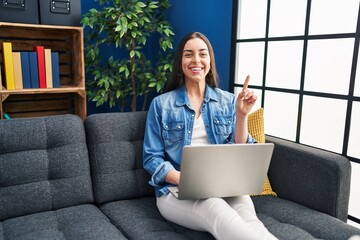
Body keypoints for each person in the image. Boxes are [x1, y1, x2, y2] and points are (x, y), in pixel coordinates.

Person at [143, 32, 277, 240]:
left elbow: (242, 150)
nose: (196, 60)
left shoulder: (229, 101)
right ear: (180, 63)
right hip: (175, 191)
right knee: (216, 210)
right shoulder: (161, 105)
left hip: (226, 185)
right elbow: (152, 159)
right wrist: (188, 180)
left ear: (210, 61)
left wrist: (242, 116)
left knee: (250, 221)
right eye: (189, 55)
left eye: (202, 54)